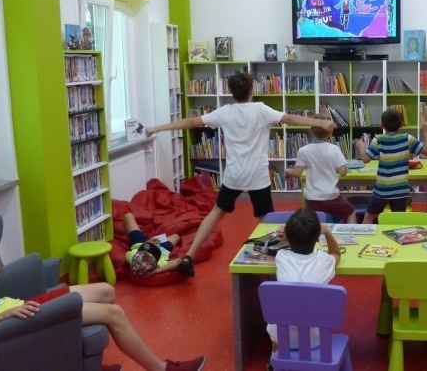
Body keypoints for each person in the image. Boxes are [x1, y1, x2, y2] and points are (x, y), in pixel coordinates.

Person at [146, 72, 336, 277]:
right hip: (257, 176)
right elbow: (288, 118)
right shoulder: (260, 109)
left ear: (230, 91)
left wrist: (157, 128)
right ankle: (277, 264)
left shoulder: (225, 112)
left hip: (234, 175)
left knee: (216, 212)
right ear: (252, 89)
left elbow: (191, 122)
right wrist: (320, 123)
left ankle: (190, 255)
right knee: (267, 220)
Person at [0, 250, 205, 371]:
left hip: (23, 304)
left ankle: (85, 365)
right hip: (14, 322)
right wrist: (3, 317)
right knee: (113, 313)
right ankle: (163, 370)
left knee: (106, 291)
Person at [265, 208, 341, 371]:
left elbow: (285, 247)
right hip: (316, 339)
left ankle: (274, 359)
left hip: (282, 338)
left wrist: (288, 235)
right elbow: (336, 253)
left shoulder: (282, 257)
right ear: (316, 238)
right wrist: (326, 231)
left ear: (288, 235)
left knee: (280, 314)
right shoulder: (324, 260)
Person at [353, 109, 427, 224]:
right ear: (401, 125)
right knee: (398, 221)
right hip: (401, 190)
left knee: (369, 217)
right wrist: (426, 132)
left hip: (382, 190)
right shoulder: (407, 138)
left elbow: (365, 159)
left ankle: (366, 239)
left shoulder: (378, 139)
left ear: (381, 125)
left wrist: (360, 145)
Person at [285, 113, 357, 223]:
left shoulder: (304, 150)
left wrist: (287, 171)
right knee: (350, 213)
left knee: (312, 221)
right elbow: (343, 172)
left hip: (312, 198)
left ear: (312, 130)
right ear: (330, 131)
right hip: (331, 196)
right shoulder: (334, 149)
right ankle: (350, 237)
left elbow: (297, 173)